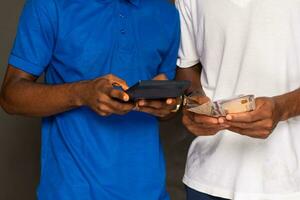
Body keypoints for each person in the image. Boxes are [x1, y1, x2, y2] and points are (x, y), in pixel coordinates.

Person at [0, 0, 180, 199]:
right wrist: (82, 93)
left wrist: (167, 108)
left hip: (150, 192)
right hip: (73, 191)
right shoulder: (49, 5)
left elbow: (167, 107)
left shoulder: (167, 12)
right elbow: (10, 97)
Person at [175, 0, 300, 200]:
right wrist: (193, 103)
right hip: (208, 178)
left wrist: (282, 109)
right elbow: (186, 66)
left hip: (289, 182)